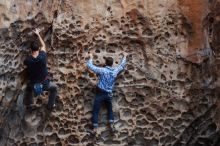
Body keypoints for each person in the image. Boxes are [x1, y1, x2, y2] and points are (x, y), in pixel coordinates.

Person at [86, 52, 126, 135]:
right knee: (110, 110)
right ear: (112, 64)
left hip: (100, 93)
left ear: (105, 63)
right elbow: (122, 66)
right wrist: (124, 56)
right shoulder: (115, 71)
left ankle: (94, 129)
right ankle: (112, 125)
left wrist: (90, 57)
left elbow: (90, 66)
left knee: (96, 111)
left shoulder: (102, 70)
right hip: (109, 94)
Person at [24, 28, 57, 111]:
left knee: (28, 89)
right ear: (38, 49)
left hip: (33, 84)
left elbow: (26, 62)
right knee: (54, 88)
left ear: (31, 50)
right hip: (44, 84)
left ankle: (29, 105)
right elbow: (43, 45)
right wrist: (38, 34)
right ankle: (50, 105)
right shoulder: (43, 57)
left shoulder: (28, 60)